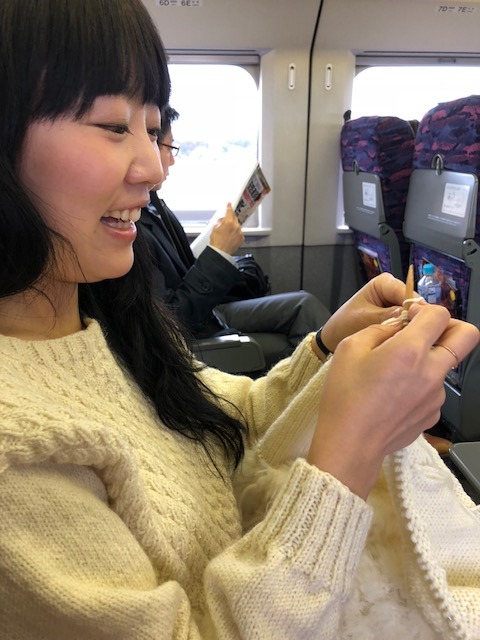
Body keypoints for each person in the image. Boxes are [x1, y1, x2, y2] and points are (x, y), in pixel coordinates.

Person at [0, 1, 480, 639]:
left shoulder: (105, 316)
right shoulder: (17, 453)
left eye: (153, 128)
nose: (152, 168)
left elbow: (225, 416)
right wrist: (351, 452)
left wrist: (329, 348)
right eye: (114, 126)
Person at [139, 106, 331, 369]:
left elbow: (180, 270)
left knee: (303, 304)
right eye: (169, 148)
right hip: (199, 330)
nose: (172, 160)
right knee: (298, 336)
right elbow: (174, 319)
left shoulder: (154, 205)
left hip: (210, 310)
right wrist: (218, 254)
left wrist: (212, 243)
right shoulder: (134, 229)